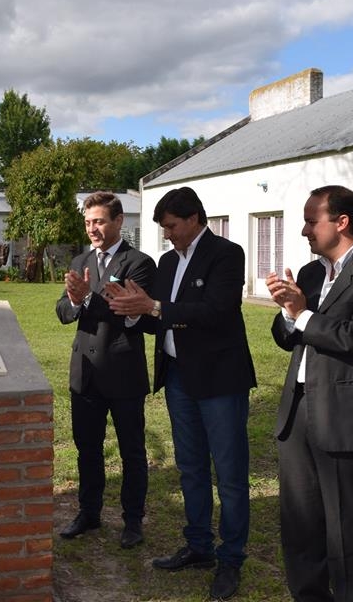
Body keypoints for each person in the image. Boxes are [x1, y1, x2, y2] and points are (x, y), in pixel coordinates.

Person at [107, 186, 256, 601]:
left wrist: (152, 307)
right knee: (190, 468)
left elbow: (216, 310)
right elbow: (161, 318)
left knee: (229, 475)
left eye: (171, 226)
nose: (167, 234)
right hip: (178, 379)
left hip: (219, 380)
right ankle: (198, 546)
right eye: (163, 228)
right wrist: (133, 310)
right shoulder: (169, 262)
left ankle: (231, 559)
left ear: (193, 219)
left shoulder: (227, 253)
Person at [265, 185, 353, 602]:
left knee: (348, 526)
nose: (304, 231)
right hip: (299, 411)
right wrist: (287, 314)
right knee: (300, 522)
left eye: (312, 221)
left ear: (341, 222)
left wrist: (302, 313)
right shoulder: (310, 274)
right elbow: (287, 338)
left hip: (346, 416)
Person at [55, 191, 156, 549]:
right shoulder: (81, 259)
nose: (92, 228)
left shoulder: (139, 263)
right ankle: (89, 512)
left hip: (123, 372)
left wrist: (88, 298)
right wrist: (74, 299)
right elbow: (64, 312)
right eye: (87, 222)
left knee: (131, 450)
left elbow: (127, 310)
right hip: (85, 373)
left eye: (98, 221)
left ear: (118, 222)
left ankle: (132, 521)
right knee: (88, 449)